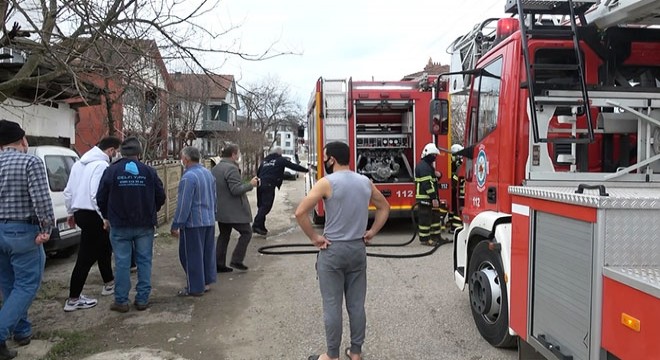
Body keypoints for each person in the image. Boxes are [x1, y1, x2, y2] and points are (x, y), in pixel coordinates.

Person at [295, 141, 389, 360]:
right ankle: (355, 352)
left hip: (333, 250)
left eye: (325, 156)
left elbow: (300, 212)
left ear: (332, 159)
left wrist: (314, 237)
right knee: (356, 305)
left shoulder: (326, 183)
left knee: (332, 306)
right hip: (357, 249)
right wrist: (372, 231)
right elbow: (384, 207)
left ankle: (332, 356)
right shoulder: (365, 182)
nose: (325, 160)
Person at [0, 120, 54, 360]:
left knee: (10, 285)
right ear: (22, 140)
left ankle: (21, 331)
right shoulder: (30, 161)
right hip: (22, 232)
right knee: (26, 285)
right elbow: (41, 199)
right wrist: (47, 227)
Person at [97, 137, 165, 312]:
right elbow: (161, 196)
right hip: (144, 224)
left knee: (122, 263)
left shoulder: (111, 171)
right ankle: (142, 299)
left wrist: (107, 216)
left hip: (119, 224)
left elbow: (101, 197)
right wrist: (151, 211)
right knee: (144, 261)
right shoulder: (149, 171)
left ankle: (121, 301)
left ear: (121, 152)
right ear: (139, 153)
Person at [62, 136, 121, 312]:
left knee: (103, 247)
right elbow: (97, 194)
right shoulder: (102, 165)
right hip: (94, 214)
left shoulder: (79, 164)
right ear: (111, 150)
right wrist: (104, 216)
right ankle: (73, 298)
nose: (116, 155)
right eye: (116, 152)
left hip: (81, 213)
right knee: (86, 257)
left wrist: (71, 212)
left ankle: (109, 283)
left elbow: (68, 191)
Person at [170, 146, 217, 296]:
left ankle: (195, 287)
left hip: (193, 222)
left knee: (191, 256)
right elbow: (215, 197)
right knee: (206, 254)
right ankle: (206, 282)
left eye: (182, 157)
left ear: (186, 159)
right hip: (209, 220)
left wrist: (177, 224)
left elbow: (184, 204)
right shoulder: (208, 174)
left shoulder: (188, 177)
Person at [211, 144, 259, 273]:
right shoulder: (231, 169)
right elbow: (236, 190)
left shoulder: (216, 168)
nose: (239, 156)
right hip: (233, 211)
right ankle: (237, 260)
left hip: (220, 210)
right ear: (233, 154)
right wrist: (251, 184)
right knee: (247, 232)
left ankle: (218, 264)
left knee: (224, 235)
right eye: (238, 153)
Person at [253, 146, 308, 235]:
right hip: (269, 185)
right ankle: (256, 225)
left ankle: (261, 227)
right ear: (279, 153)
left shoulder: (264, 161)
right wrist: (306, 170)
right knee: (266, 206)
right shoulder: (280, 160)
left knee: (261, 206)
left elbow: (258, 172)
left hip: (260, 184)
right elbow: (293, 166)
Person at [414, 143, 447, 246]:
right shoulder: (424, 167)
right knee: (425, 218)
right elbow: (427, 184)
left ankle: (436, 237)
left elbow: (433, 180)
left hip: (431, 197)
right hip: (425, 198)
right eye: (433, 155)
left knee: (435, 218)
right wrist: (433, 198)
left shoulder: (428, 166)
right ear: (427, 154)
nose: (434, 157)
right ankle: (425, 239)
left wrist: (439, 175)